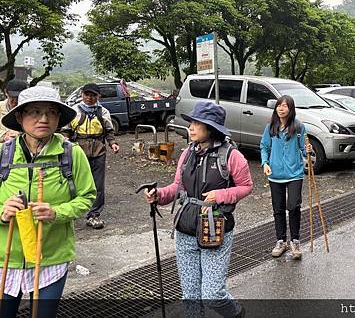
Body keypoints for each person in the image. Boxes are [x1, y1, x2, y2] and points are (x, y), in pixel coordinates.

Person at [144, 101, 252, 318]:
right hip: (185, 228)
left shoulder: (231, 156)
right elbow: (178, 187)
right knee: (191, 295)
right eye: (191, 122)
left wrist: (221, 195)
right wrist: (159, 195)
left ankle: (236, 313)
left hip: (215, 228)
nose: (191, 127)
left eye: (197, 123)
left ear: (211, 128)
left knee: (212, 294)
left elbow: (246, 186)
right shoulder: (187, 154)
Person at [0, 86, 96, 318]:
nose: (43, 119)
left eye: (51, 112)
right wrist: (2, 213)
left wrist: (57, 213)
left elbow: (87, 197)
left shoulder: (71, 154)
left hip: (51, 256)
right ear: (20, 116)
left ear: (58, 118)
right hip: (5, 258)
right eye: (34, 112)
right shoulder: (3, 154)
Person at [260, 95, 311, 260]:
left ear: (291, 109)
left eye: (285, 106)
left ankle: (295, 241)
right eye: (279, 105)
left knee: (294, 206)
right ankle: (281, 240)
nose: (281, 108)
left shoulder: (298, 127)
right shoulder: (270, 128)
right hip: (275, 174)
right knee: (278, 209)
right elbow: (264, 147)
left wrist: (308, 151)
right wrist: (265, 163)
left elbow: (304, 150)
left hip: (295, 173)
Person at [61, 83, 119, 229]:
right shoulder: (74, 111)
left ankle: (93, 215)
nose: (89, 98)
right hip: (78, 151)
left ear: (98, 96)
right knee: (72, 183)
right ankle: (69, 213)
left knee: (98, 185)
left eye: (93, 95)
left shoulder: (103, 112)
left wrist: (113, 144)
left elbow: (109, 132)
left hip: (99, 151)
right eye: (86, 94)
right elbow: (66, 131)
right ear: (82, 95)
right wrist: (65, 141)